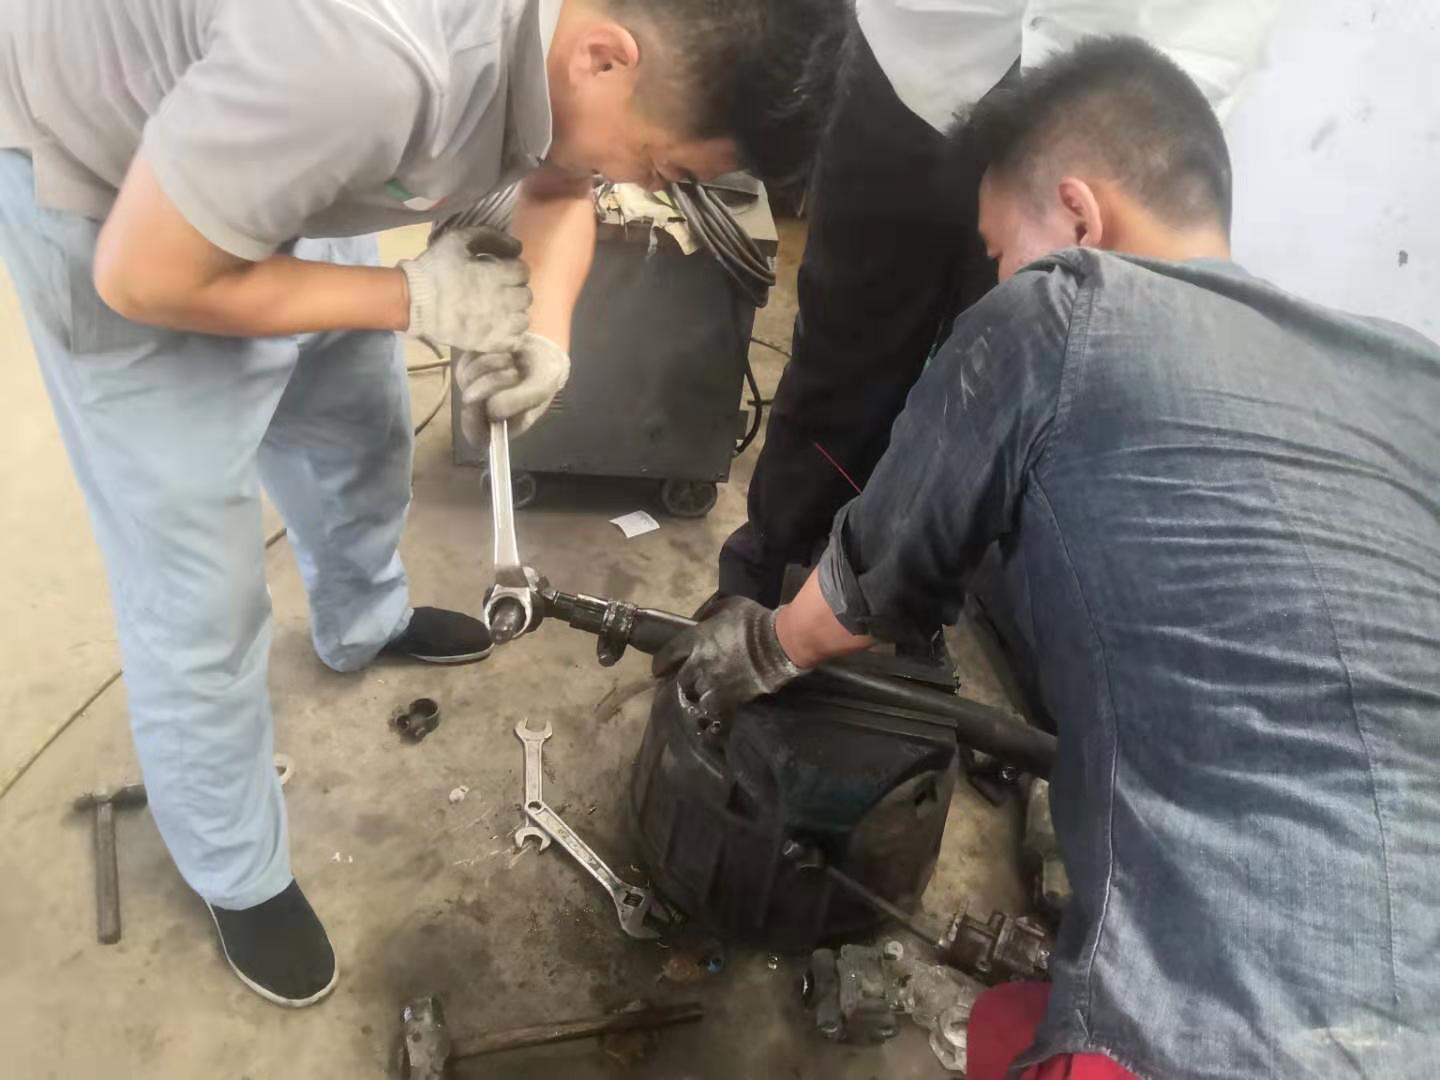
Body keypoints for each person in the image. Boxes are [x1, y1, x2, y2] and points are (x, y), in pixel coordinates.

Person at [0, 0, 840, 1007]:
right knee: (197, 589)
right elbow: (145, 275)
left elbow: (564, 181)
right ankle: (233, 865)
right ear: (606, 58)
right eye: (661, 168)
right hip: (112, 188)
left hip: (278, 120)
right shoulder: (363, 63)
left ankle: (362, 622)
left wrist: (546, 333)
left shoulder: (572, 51)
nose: (647, 189)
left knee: (358, 427)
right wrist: (416, 299)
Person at [659, 37, 1440, 1079]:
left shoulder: (1067, 305)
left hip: (1232, 1035)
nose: (996, 278)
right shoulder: (1409, 374)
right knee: (1004, 1024)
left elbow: (867, 581)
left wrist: (763, 649)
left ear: (1079, 219)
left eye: (995, 251)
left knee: (1026, 1037)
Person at [715, 0, 1283, 609]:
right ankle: (770, 574)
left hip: (1123, 89)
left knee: (995, 414)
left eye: (1000, 250)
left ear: (1084, 221)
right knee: (845, 349)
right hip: (915, 59)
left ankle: (896, 613)